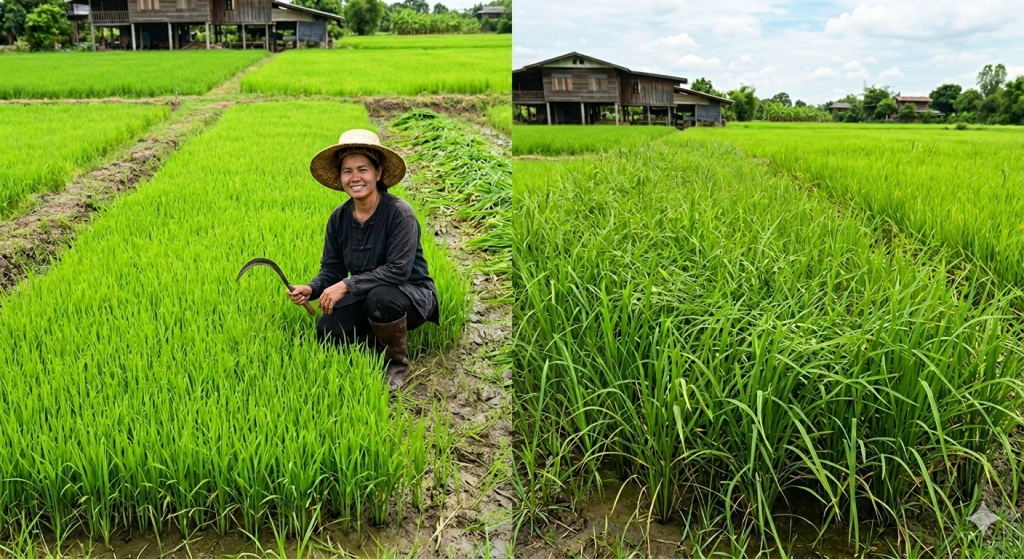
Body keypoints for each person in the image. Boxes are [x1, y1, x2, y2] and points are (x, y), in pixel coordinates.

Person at [287, 129, 439, 391]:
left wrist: (347, 285)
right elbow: (332, 269)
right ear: (341, 177)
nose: (355, 177)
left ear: (378, 173)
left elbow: (398, 271)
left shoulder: (400, 214)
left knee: (381, 298)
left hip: (409, 295)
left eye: (362, 169)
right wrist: (312, 289)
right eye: (347, 171)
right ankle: (372, 346)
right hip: (365, 294)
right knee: (328, 330)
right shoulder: (339, 218)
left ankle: (396, 363)